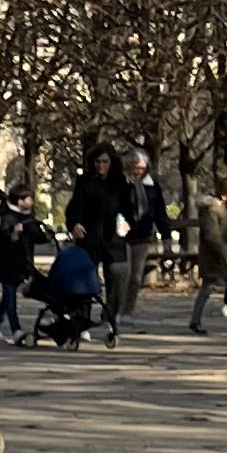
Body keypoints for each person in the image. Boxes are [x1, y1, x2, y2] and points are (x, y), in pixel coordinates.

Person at [65, 143, 139, 339]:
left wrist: (128, 223)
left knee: (116, 281)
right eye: (97, 162)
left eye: (104, 162)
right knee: (86, 281)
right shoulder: (85, 181)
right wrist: (74, 223)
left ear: (111, 162)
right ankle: (83, 321)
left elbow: (130, 209)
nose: (100, 166)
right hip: (89, 239)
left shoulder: (120, 183)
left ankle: (109, 318)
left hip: (114, 240)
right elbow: (74, 207)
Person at [188, 184, 227, 332]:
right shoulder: (211, 209)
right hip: (214, 257)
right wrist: (226, 253)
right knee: (207, 288)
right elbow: (212, 236)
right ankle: (195, 321)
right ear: (225, 193)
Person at [33, 229, 104, 347]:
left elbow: (53, 277)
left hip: (66, 290)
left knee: (59, 304)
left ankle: (62, 331)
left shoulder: (65, 257)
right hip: (86, 289)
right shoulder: (82, 256)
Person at [0, 186, 43, 340]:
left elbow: (37, 237)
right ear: (21, 201)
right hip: (8, 263)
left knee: (7, 298)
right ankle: (16, 330)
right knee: (10, 297)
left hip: (23, 263)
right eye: (29, 198)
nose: (31, 201)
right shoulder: (8, 217)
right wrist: (13, 233)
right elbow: (2, 238)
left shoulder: (29, 217)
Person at [125, 149, 174, 296]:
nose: (139, 171)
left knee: (135, 278)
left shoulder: (151, 185)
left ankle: (127, 311)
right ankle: (114, 310)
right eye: (136, 168)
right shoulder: (122, 184)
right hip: (124, 236)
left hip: (143, 235)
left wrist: (166, 237)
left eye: (142, 168)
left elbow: (159, 212)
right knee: (123, 276)